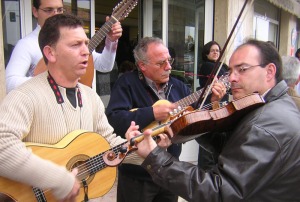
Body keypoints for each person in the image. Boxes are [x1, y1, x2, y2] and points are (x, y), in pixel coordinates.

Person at [126, 39, 300, 201]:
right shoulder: (275, 105)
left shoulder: (266, 125)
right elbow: (237, 150)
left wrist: (155, 157)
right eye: (231, 70)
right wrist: (197, 124)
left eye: (242, 69)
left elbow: (219, 191)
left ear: (270, 72)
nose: (231, 77)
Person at [0, 14, 146, 202]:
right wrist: (58, 179)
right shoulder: (24, 96)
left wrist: (144, 151)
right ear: (50, 53)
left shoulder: (91, 96)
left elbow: (107, 143)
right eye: (75, 45)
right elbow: (2, 146)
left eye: (85, 43)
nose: (86, 51)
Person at [106, 36, 226, 202]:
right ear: (142, 65)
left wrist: (213, 102)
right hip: (137, 174)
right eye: (160, 63)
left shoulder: (179, 86)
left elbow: (195, 122)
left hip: (169, 171)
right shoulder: (126, 83)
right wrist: (152, 113)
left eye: (169, 61)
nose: (168, 67)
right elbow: (114, 120)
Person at [5, 0, 122, 93]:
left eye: (60, 9)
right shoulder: (27, 44)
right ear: (35, 11)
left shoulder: (75, 39)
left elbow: (105, 66)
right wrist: (53, 80)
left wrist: (111, 42)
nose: (55, 14)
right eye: (48, 10)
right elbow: (9, 83)